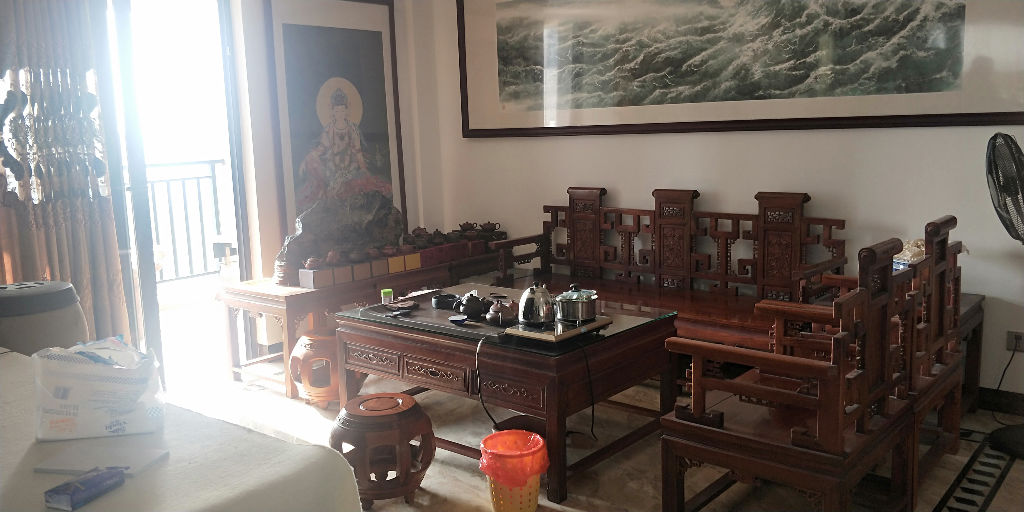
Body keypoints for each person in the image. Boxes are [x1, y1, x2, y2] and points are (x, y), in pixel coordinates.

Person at [296, 87, 391, 212]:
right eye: (337, 111)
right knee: (323, 191)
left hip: (350, 172)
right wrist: (308, 158)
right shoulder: (329, 130)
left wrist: (364, 169)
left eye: (342, 110)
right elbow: (321, 148)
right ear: (332, 111)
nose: (339, 113)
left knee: (363, 188)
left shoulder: (352, 129)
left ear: (346, 111)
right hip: (332, 173)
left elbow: (358, 152)